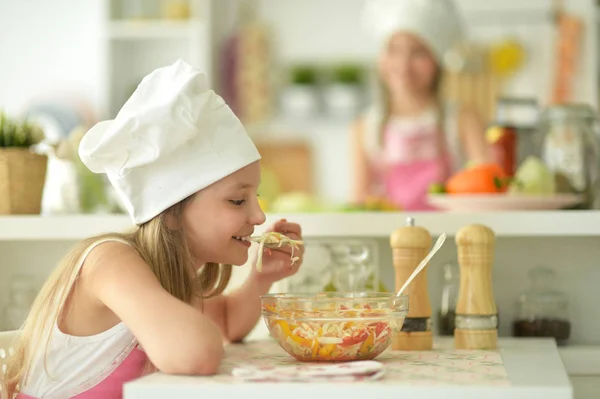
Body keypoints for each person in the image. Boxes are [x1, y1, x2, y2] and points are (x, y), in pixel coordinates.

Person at [5, 60, 304, 399]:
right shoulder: (109, 262)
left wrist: (262, 278)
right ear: (172, 214)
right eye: (238, 201)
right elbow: (196, 352)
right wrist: (200, 323)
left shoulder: (167, 278)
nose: (259, 216)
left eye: (256, 197)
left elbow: (225, 322)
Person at [352, 0, 492, 210]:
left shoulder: (463, 120)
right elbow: (359, 204)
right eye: (393, 50)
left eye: (418, 52)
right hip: (388, 239)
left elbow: (488, 187)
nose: (403, 65)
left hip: (448, 237)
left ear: (437, 61)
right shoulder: (363, 128)